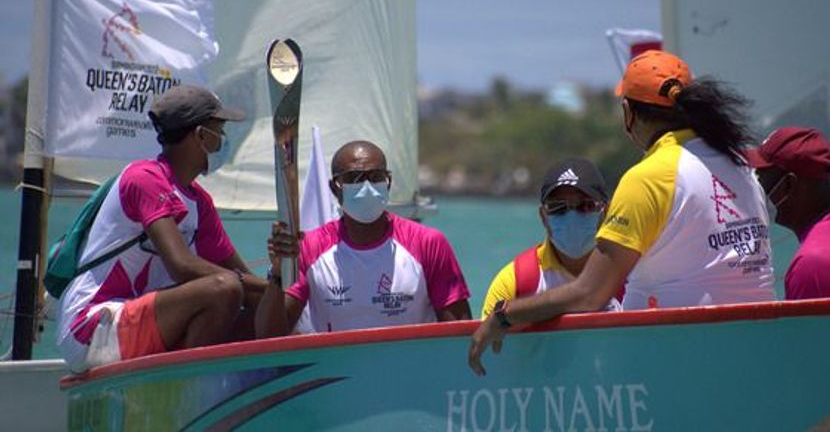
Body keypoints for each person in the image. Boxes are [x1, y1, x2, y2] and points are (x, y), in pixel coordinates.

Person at [469, 49, 775, 375]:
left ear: (629, 112)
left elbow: (589, 294)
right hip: (754, 354)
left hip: (681, 364)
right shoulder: (740, 166)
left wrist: (504, 315)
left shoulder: (649, 177)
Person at [56, 85, 268, 373]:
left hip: (140, 320)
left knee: (262, 311)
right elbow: (183, 266)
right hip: (90, 327)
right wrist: (268, 290)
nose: (224, 142)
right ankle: (185, 392)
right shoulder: (144, 178)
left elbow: (244, 278)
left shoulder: (199, 201)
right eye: (220, 131)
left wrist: (282, 292)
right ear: (201, 136)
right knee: (225, 288)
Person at [255, 140, 471, 336]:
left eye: (376, 177)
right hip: (338, 374)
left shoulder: (428, 243)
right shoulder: (309, 247)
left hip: (410, 372)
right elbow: (268, 336)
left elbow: (460, 332)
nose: (366, 187)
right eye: (354, 178)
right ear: (334, 188)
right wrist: (277, 273)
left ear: (388, 182)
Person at [480, 158, 620, 318]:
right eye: (558, 207)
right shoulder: (514, 282)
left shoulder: (630, 274)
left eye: (585, 205)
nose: (571, 216)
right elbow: (485, 340)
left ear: (606, 211)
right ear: (543, 217)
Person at [746, 127, 830, 299]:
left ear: (788, 185)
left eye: (761, 178)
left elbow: (810, 327)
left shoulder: (812, 265)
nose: (757, 189)